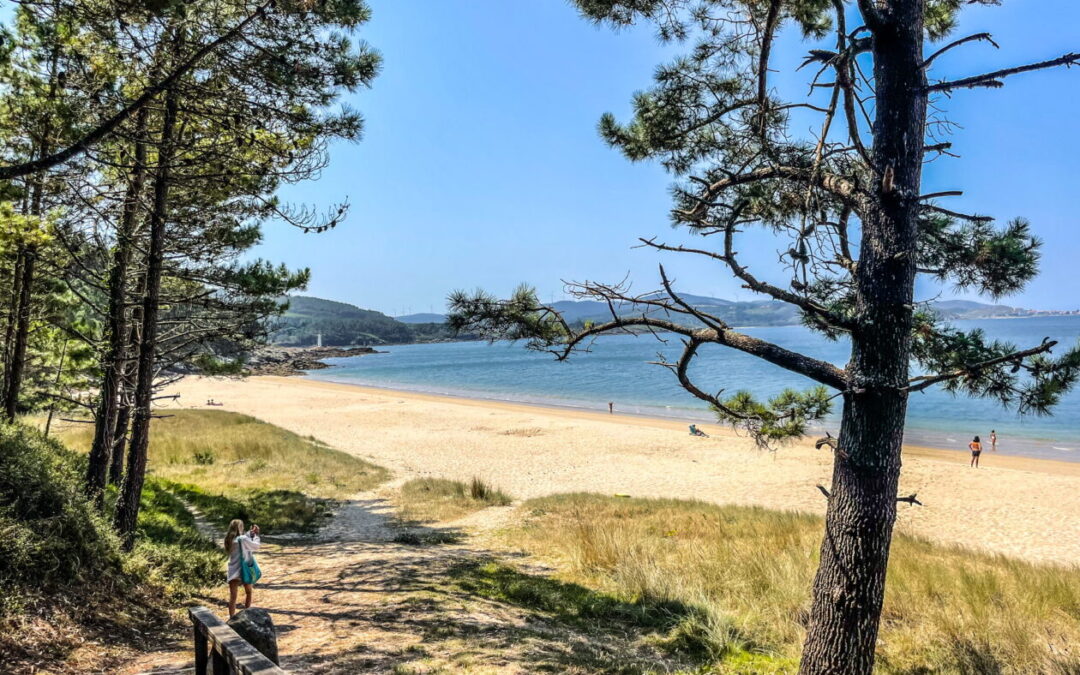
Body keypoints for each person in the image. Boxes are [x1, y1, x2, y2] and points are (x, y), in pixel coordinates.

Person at [224, 519, 261, 618]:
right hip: (244, 571)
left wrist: (251, 533)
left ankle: (231, 618)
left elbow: (243, 539)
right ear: (240, 528)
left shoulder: (229, 539)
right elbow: (256, 546)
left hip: (233, 571)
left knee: (233, 597)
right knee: (248, 593)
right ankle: (247, 616)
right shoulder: (243, 539)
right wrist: (256, 535)